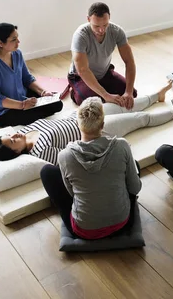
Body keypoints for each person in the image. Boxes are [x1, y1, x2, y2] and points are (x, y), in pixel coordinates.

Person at [0, 82, 173, 165]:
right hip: (95, 129)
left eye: (9, 135)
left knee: (126, 103)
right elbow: (73, 156)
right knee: (141, 119)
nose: (14, 135)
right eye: (12, 141)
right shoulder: (40, 152)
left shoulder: (26, 130)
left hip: (84, 115)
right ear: (16, 152)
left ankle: (157, 95)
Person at [40, 97, 142, 239]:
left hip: (84, 230)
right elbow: (135, 188)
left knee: (47, 172)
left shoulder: (65, 156)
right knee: (133, 165)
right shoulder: (121, 146)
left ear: (78, 124)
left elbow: (71, 194)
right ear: (103, 125)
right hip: (122, 223)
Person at [0, 23, 63, 127]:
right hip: (1, 110)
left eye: (17, 38)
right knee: (31, 115)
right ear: (0, 43)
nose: (18, 42)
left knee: (57, 104)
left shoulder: (16, 53)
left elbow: (27, 78)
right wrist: (22, 105)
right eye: (13, 40)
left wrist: (43, 92)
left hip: (20, 96)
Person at [68, 2, 137, 109]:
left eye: (105, 25)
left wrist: (128, 92)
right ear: (88, 19)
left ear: (109, 18)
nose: (101, 30)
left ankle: (102, 89)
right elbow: (82, 70)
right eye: (96, 26)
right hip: (80, 76)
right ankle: (75, 92)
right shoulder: (80, 35)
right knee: (93, 104)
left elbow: (129, 61)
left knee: (131, 95)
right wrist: (106, 95)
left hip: (104, 73)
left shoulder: (117, 31)